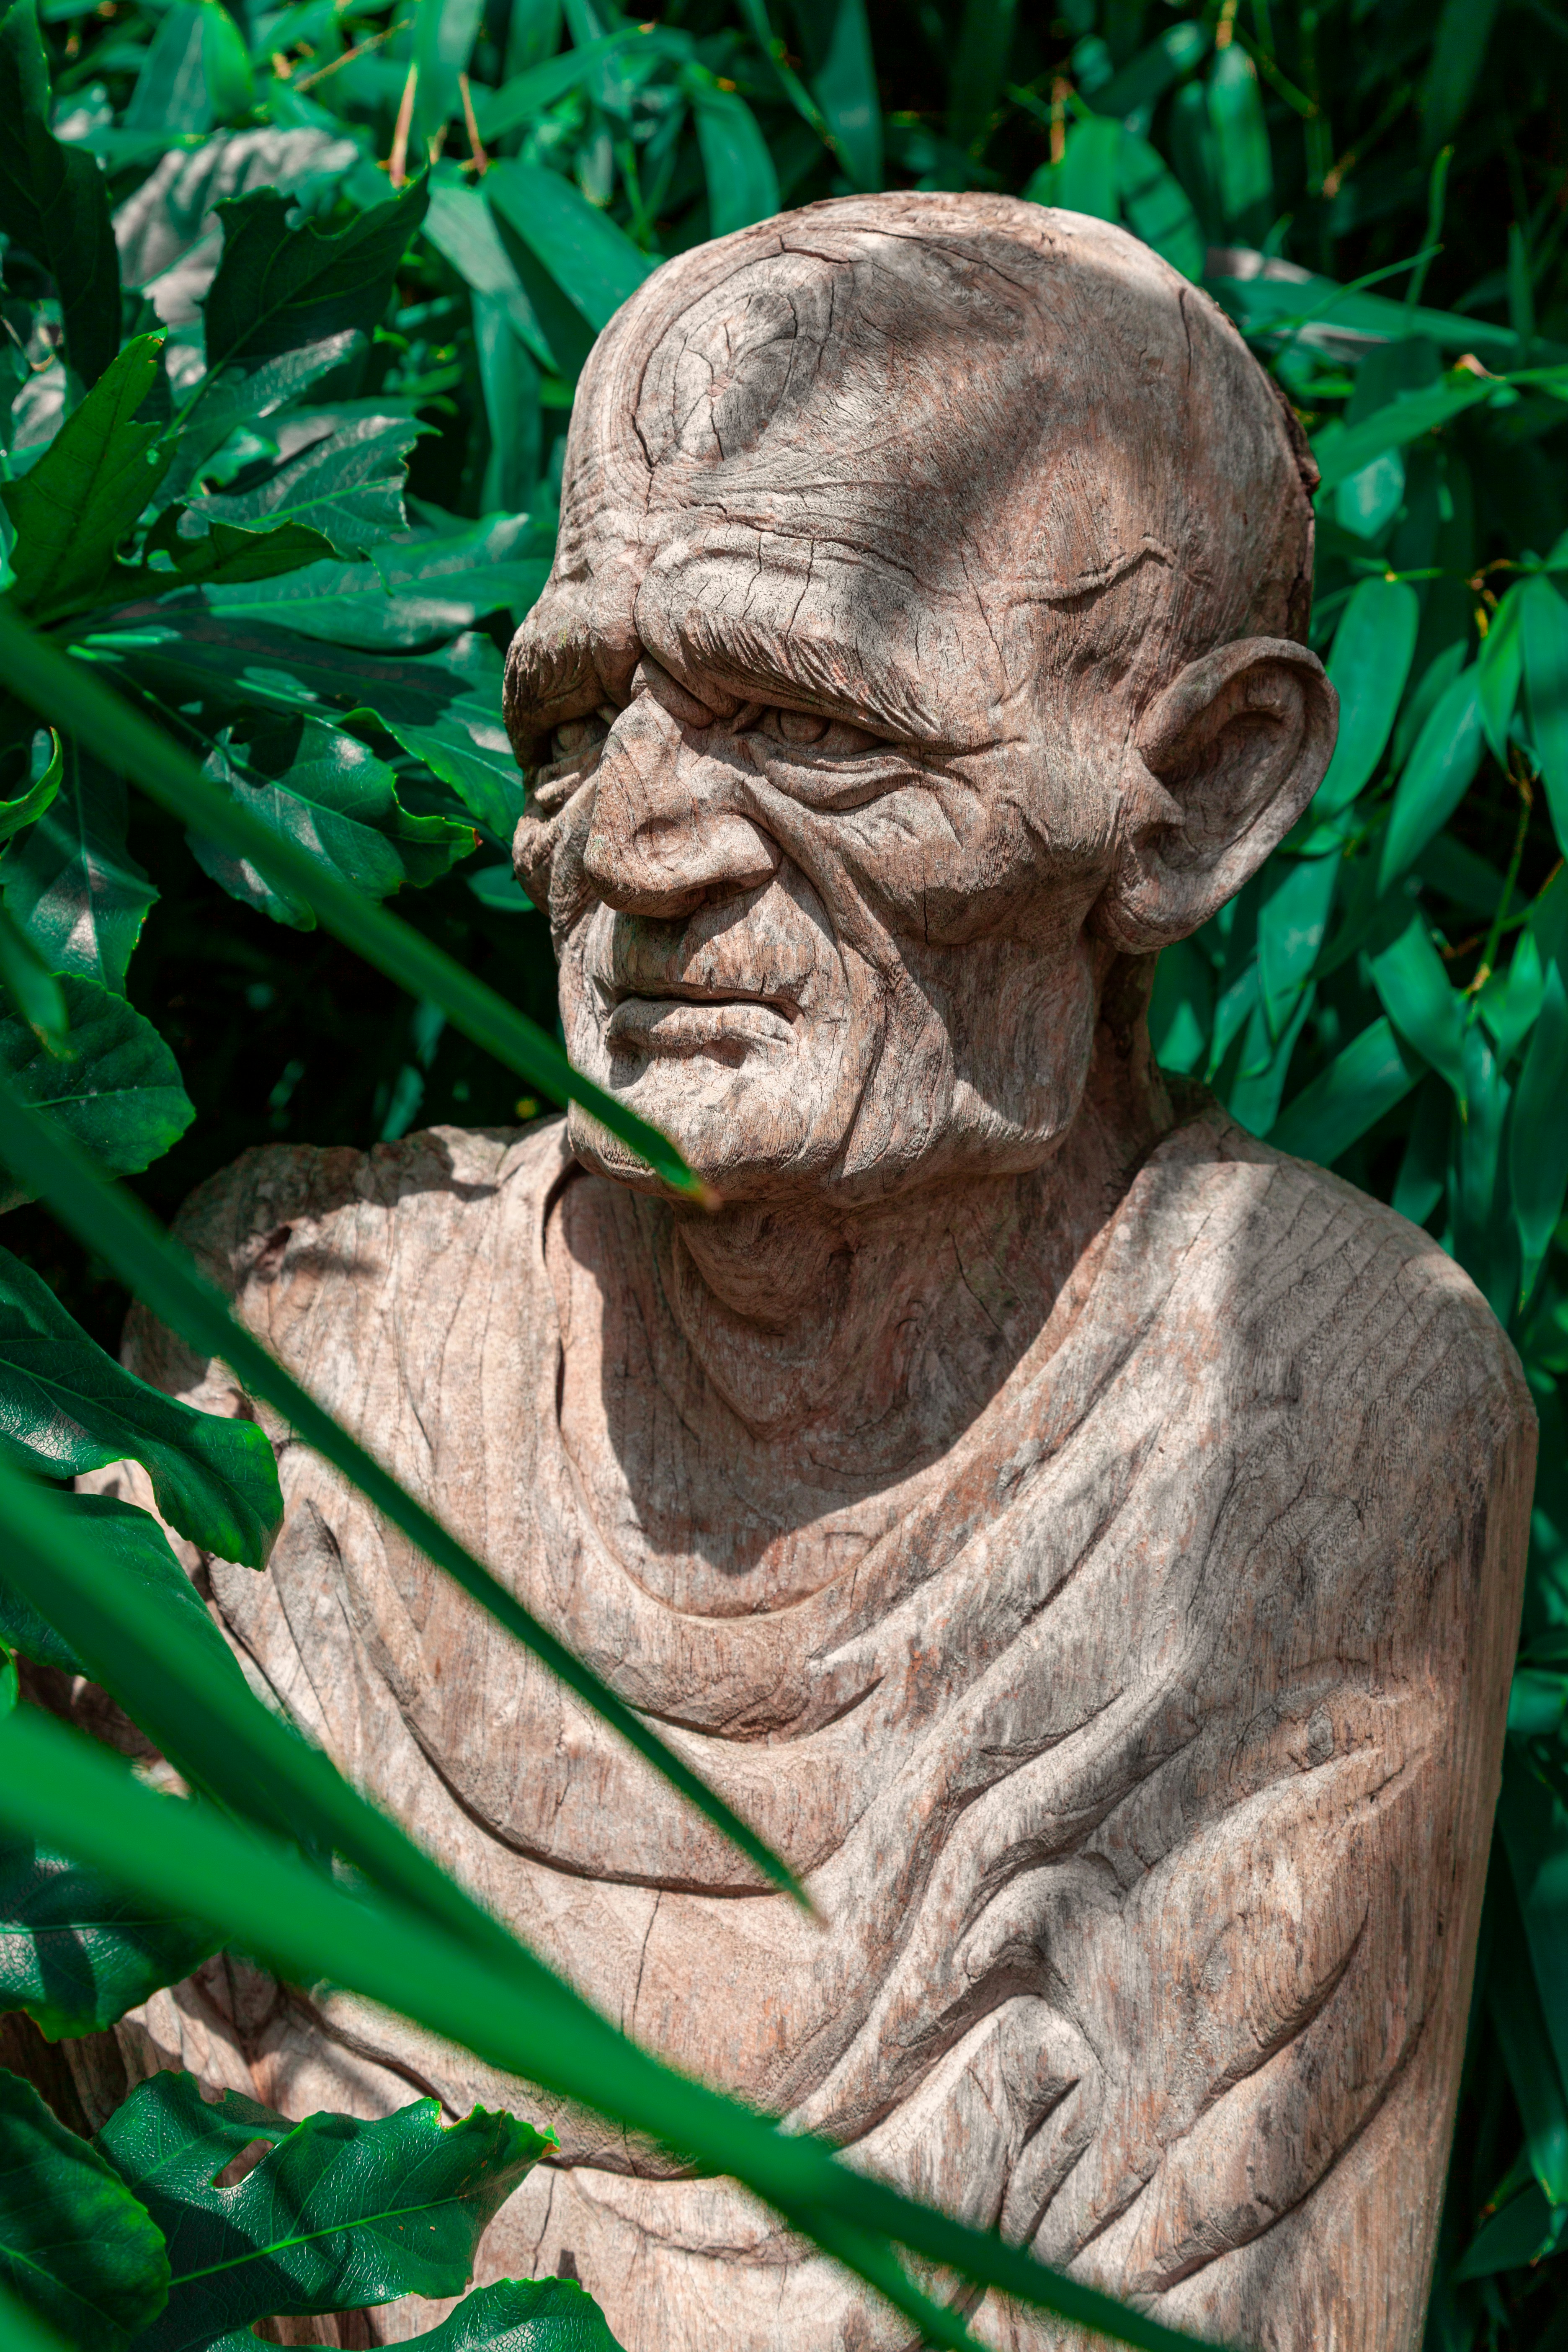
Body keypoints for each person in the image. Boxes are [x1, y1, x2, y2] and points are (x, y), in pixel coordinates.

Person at [103, 195, 1533, 2350]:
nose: (639, 847)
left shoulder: (1305, 1399)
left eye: (811, 723)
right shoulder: (295, 1333)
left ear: (1205, 796)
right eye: (582, 716)